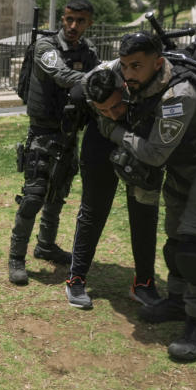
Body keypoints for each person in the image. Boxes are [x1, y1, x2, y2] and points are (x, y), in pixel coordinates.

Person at [90, 31, 196, 360]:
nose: (128, 74)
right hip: (184, 163)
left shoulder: (179, 96)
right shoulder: (137, 77)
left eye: (137, 66)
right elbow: (91, 80)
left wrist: (114, 131)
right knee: (174, 241)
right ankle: (176, 301)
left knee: (192, 246)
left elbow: (154, 153)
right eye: (125, 66)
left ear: (158, 64)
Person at [7, 0, 99, 284]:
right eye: (69, 19)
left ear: (89, 23)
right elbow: (60, 74)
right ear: (62, 18)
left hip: (70, 134)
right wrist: (97, 80)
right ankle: (16, 257)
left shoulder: (88, 51)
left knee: (58, 195)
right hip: (43, 134)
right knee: (34, 196)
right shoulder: (45, 47)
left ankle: (46, 245)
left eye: (80, 21)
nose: (73, 26)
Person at [63, 68, 161, 309]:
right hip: (99, 144)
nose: (113, 114)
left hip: (140, 142)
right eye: (103, 110)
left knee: (144, 213)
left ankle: (144, 283)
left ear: (124, 89)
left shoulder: (140, 80)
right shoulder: (89, 91)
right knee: (93, 211)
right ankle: (76, 279)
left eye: (116, 106)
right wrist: (103, 119)